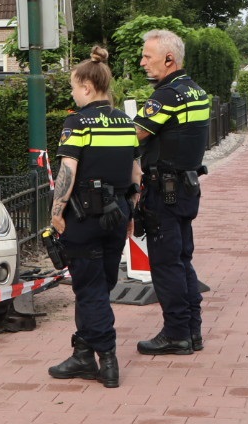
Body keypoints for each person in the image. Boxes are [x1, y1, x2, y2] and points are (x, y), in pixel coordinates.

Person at [47, 45, 140, 389]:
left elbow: (67, 170)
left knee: (90, 290)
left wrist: (57, 212)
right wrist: (132, 209)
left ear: (87, 87)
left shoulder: (78, 122)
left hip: (84, 218)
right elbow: (135, 171)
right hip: (117, 215)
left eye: (73, 87)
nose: (73, 93)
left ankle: (108, 359)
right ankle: (82, 355)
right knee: (102, 285)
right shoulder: (124, 121)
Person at [133, 28, 212, 356]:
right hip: (186, 189)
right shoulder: (197, 92)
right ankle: (192, 330)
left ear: (169, 59)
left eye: (148, 57)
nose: (142, 63)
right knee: (182, 259)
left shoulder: (166, 96)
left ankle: (176, 332)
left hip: (164, 192)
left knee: (166, 264)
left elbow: (133, 134)